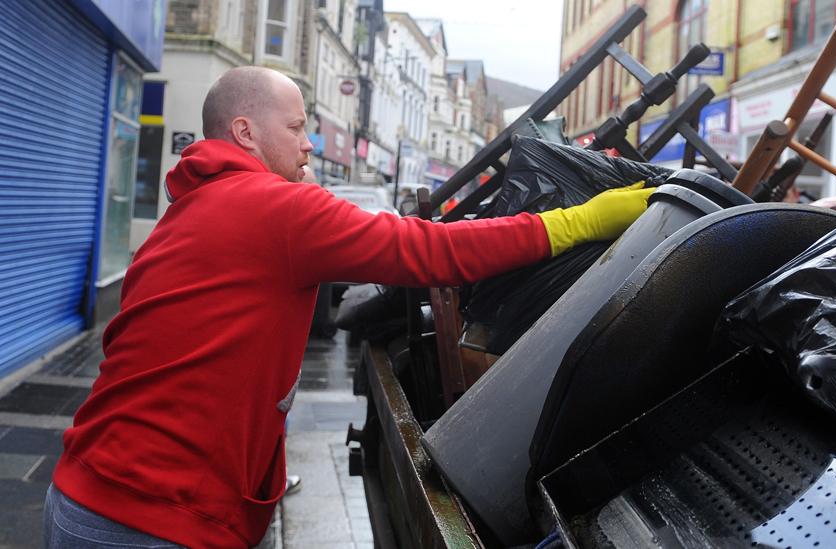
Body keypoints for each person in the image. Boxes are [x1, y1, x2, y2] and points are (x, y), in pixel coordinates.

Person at [44, 66, 654, 548]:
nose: (310, 145)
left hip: (83, 494)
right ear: (245, 132)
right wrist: (580, 220)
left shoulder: (185, 213)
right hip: (153, 520)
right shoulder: (277, 208)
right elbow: (427, 249)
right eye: (296, 128)